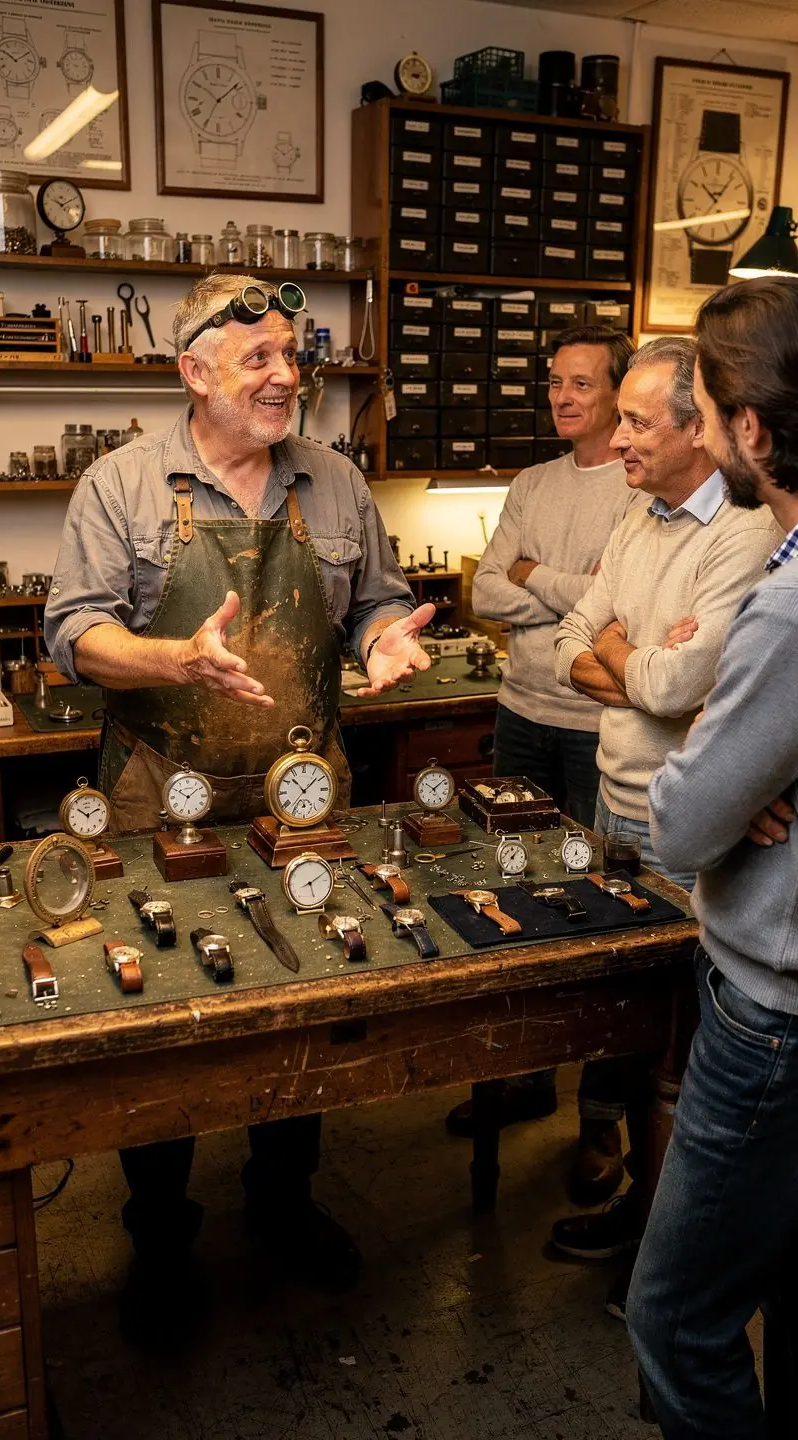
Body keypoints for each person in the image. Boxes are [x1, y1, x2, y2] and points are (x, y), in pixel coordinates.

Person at [44, 273, 433, 1329]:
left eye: (290, 357)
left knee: (307, 1000)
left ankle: (282, 1199)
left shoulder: (336, 481)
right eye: (257, 358)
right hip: (150, 795)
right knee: (159, 1018)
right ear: (194, 371)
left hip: (300, 788)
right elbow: (73, 631)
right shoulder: (120, 486)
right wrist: (174, 655)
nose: (284, 377)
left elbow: (378, 603)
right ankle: (160, 1233)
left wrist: (386, 639)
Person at [550, 336, 781, 1317]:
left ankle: (666, 1255)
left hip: (684, 817)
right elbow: (573, 646)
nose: (618, 434)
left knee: (685, 1063)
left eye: (641, 420)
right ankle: (638, 1215)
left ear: (707, 432)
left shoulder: (745, 536)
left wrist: (644, 672)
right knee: (631, 1035)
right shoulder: (636, 518)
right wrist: (636, 663)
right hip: (614, 803)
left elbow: (680, 683)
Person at [625, 276, 798, 1439]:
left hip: (771, 1017)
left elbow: (679, 823)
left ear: (748, 427)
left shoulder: (783, 612)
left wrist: (717, 757)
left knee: (678, 1319)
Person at [445, 326, 642, 1205]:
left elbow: (622, 617)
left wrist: (537, 576)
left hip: (597, 726)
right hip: (521, 715)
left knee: (600, 916)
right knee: (510, 895)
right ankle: (523, 1076)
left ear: (620, 391)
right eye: (553, 383)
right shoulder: (530, 482)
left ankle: (600, 1122)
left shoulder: (638, 492)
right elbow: (483, 591)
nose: (561, 398)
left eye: (580, 384)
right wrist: (569, 587)